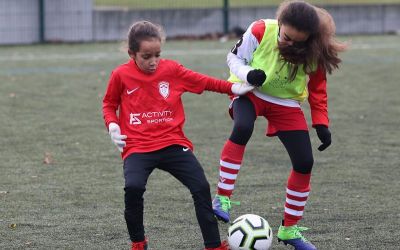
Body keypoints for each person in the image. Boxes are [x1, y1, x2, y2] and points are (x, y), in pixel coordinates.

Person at [102, 20, 253, 250]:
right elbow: (109, 104)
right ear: (132, 53)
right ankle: (138, 243)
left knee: (201, 187)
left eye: (157, 55)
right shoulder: (120, 75)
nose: (153, 62)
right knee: (133, 188)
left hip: (173, 143)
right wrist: (112, 125)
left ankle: (213, 246)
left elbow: (204, 81)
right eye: (146, 56)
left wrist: (233, 88)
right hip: (137, 147)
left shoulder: (171, 70)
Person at [211, 1, 347, 249]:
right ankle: (222, 198)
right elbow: (234, 58)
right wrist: (247, 74)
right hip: (250, 91)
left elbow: (318, 89)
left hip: (286, 103)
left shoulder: (314, 47)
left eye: (299, 42)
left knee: (305, 162)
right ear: (280, 24)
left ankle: (290, 230)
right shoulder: (261, 29)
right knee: (242, 128)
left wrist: (321, 123)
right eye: (287, 37)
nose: (291, 45)